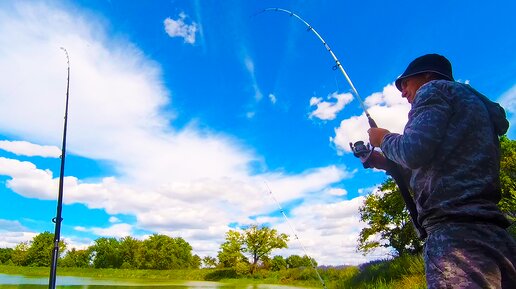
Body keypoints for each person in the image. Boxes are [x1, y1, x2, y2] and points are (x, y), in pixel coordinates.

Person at [366, 53, 516, 289]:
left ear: (427, 74)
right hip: (494, 235)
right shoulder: (476, 109)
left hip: (456, 239)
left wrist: (383, 138)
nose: (403, 92)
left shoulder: (433, 90)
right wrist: (386, 163)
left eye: (405, 83)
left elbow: (413, 150)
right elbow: (442, 166)